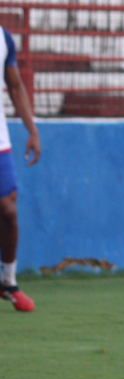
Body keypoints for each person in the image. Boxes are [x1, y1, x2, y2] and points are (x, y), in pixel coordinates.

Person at [0, 25, 41, 312]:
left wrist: (32, 130)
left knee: (8, 209)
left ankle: (8, 281)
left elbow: (14, 86)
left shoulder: (3, 38)